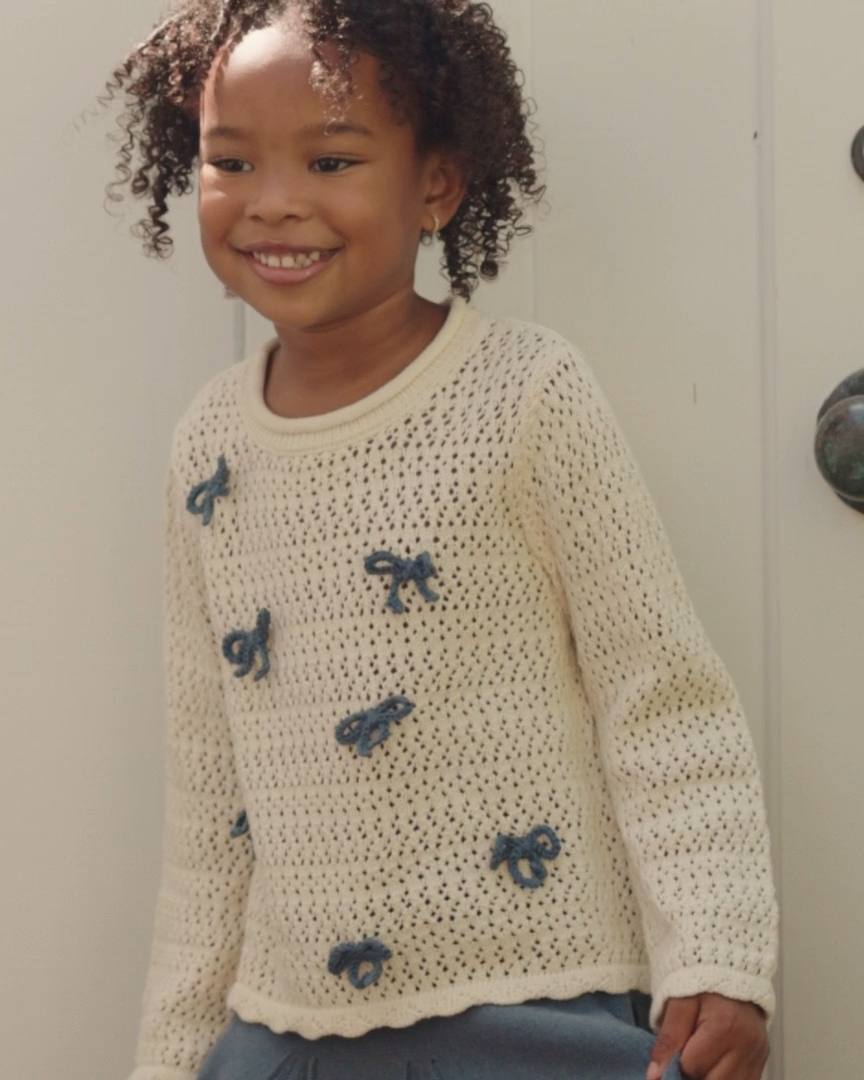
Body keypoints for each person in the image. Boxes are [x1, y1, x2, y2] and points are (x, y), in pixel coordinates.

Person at [104, 2, 778, 1078]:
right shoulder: (207, 452)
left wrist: (720, 952)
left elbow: (661, 698)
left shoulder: (526, 394)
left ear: (437, 184)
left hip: (533, 1013)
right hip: (289, 1037)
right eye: (230, 161)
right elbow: (210, 797)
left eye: (331, 159)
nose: (273, 201)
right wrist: (172, 1058)